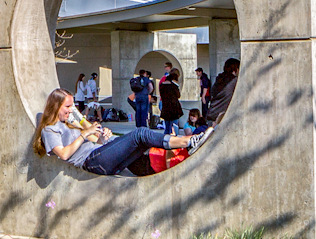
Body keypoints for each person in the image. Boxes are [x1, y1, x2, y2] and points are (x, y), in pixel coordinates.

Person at [33, 88, 175, 175]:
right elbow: (64, 154)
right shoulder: (50, 129)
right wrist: (85, 133)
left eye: (72, 106)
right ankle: (178, 142)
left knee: (140, 148)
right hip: (92, 160)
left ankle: (175, 153)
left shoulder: (70, 123)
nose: (71, 110)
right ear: (56, 106)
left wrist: (102, 137)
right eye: (68, 106)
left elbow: (95, 141)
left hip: (99, 153)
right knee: (140, 134)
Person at [205, 58, 240, 125]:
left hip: (212, 114)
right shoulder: (234, 81)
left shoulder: (219, 79)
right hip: (221, 118)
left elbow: (212, 93)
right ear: (236, 69)